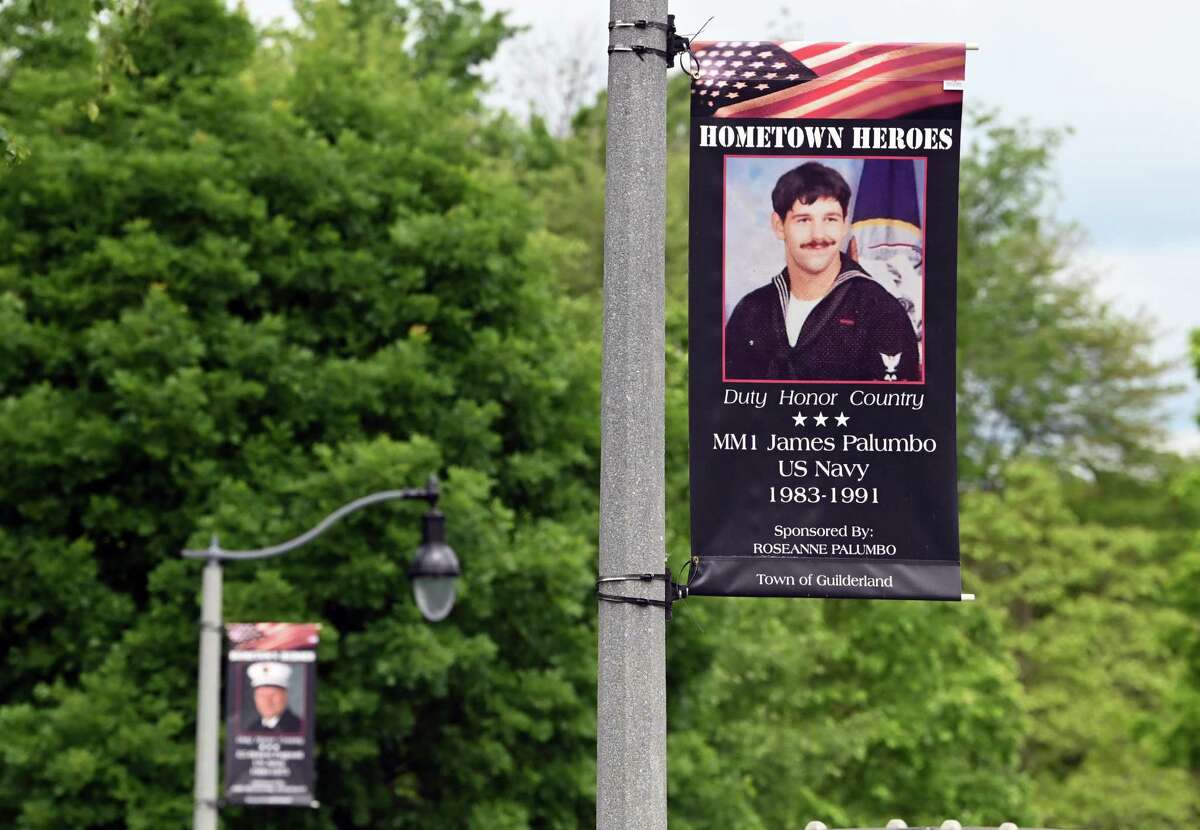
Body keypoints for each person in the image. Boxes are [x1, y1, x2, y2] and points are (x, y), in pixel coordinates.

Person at [724, 161, 920, 382]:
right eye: (804, 220)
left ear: (845, 224)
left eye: (830, 219)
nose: (818, 235)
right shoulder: (750, 312)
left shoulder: (882, 315)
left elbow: (899, 414)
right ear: (779, 226)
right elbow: (729, 407)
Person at [244, 661, 303, 733]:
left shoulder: (300, 728)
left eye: (273, 695)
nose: (267, 701)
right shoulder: (251, 729)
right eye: (261, 696)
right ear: (255, 698)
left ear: (285, 696)